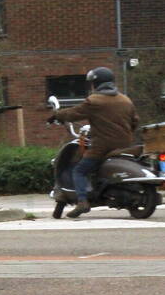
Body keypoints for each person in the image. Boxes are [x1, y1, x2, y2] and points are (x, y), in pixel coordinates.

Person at [49, 67, 138, 218]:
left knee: (79, 170)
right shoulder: (125, 100)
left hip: (102, 145)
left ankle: (82, 202)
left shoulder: (94, 101)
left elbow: (74, 113)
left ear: (95, 84)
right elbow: (135, 122)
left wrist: (57, 115)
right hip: (126, 143)